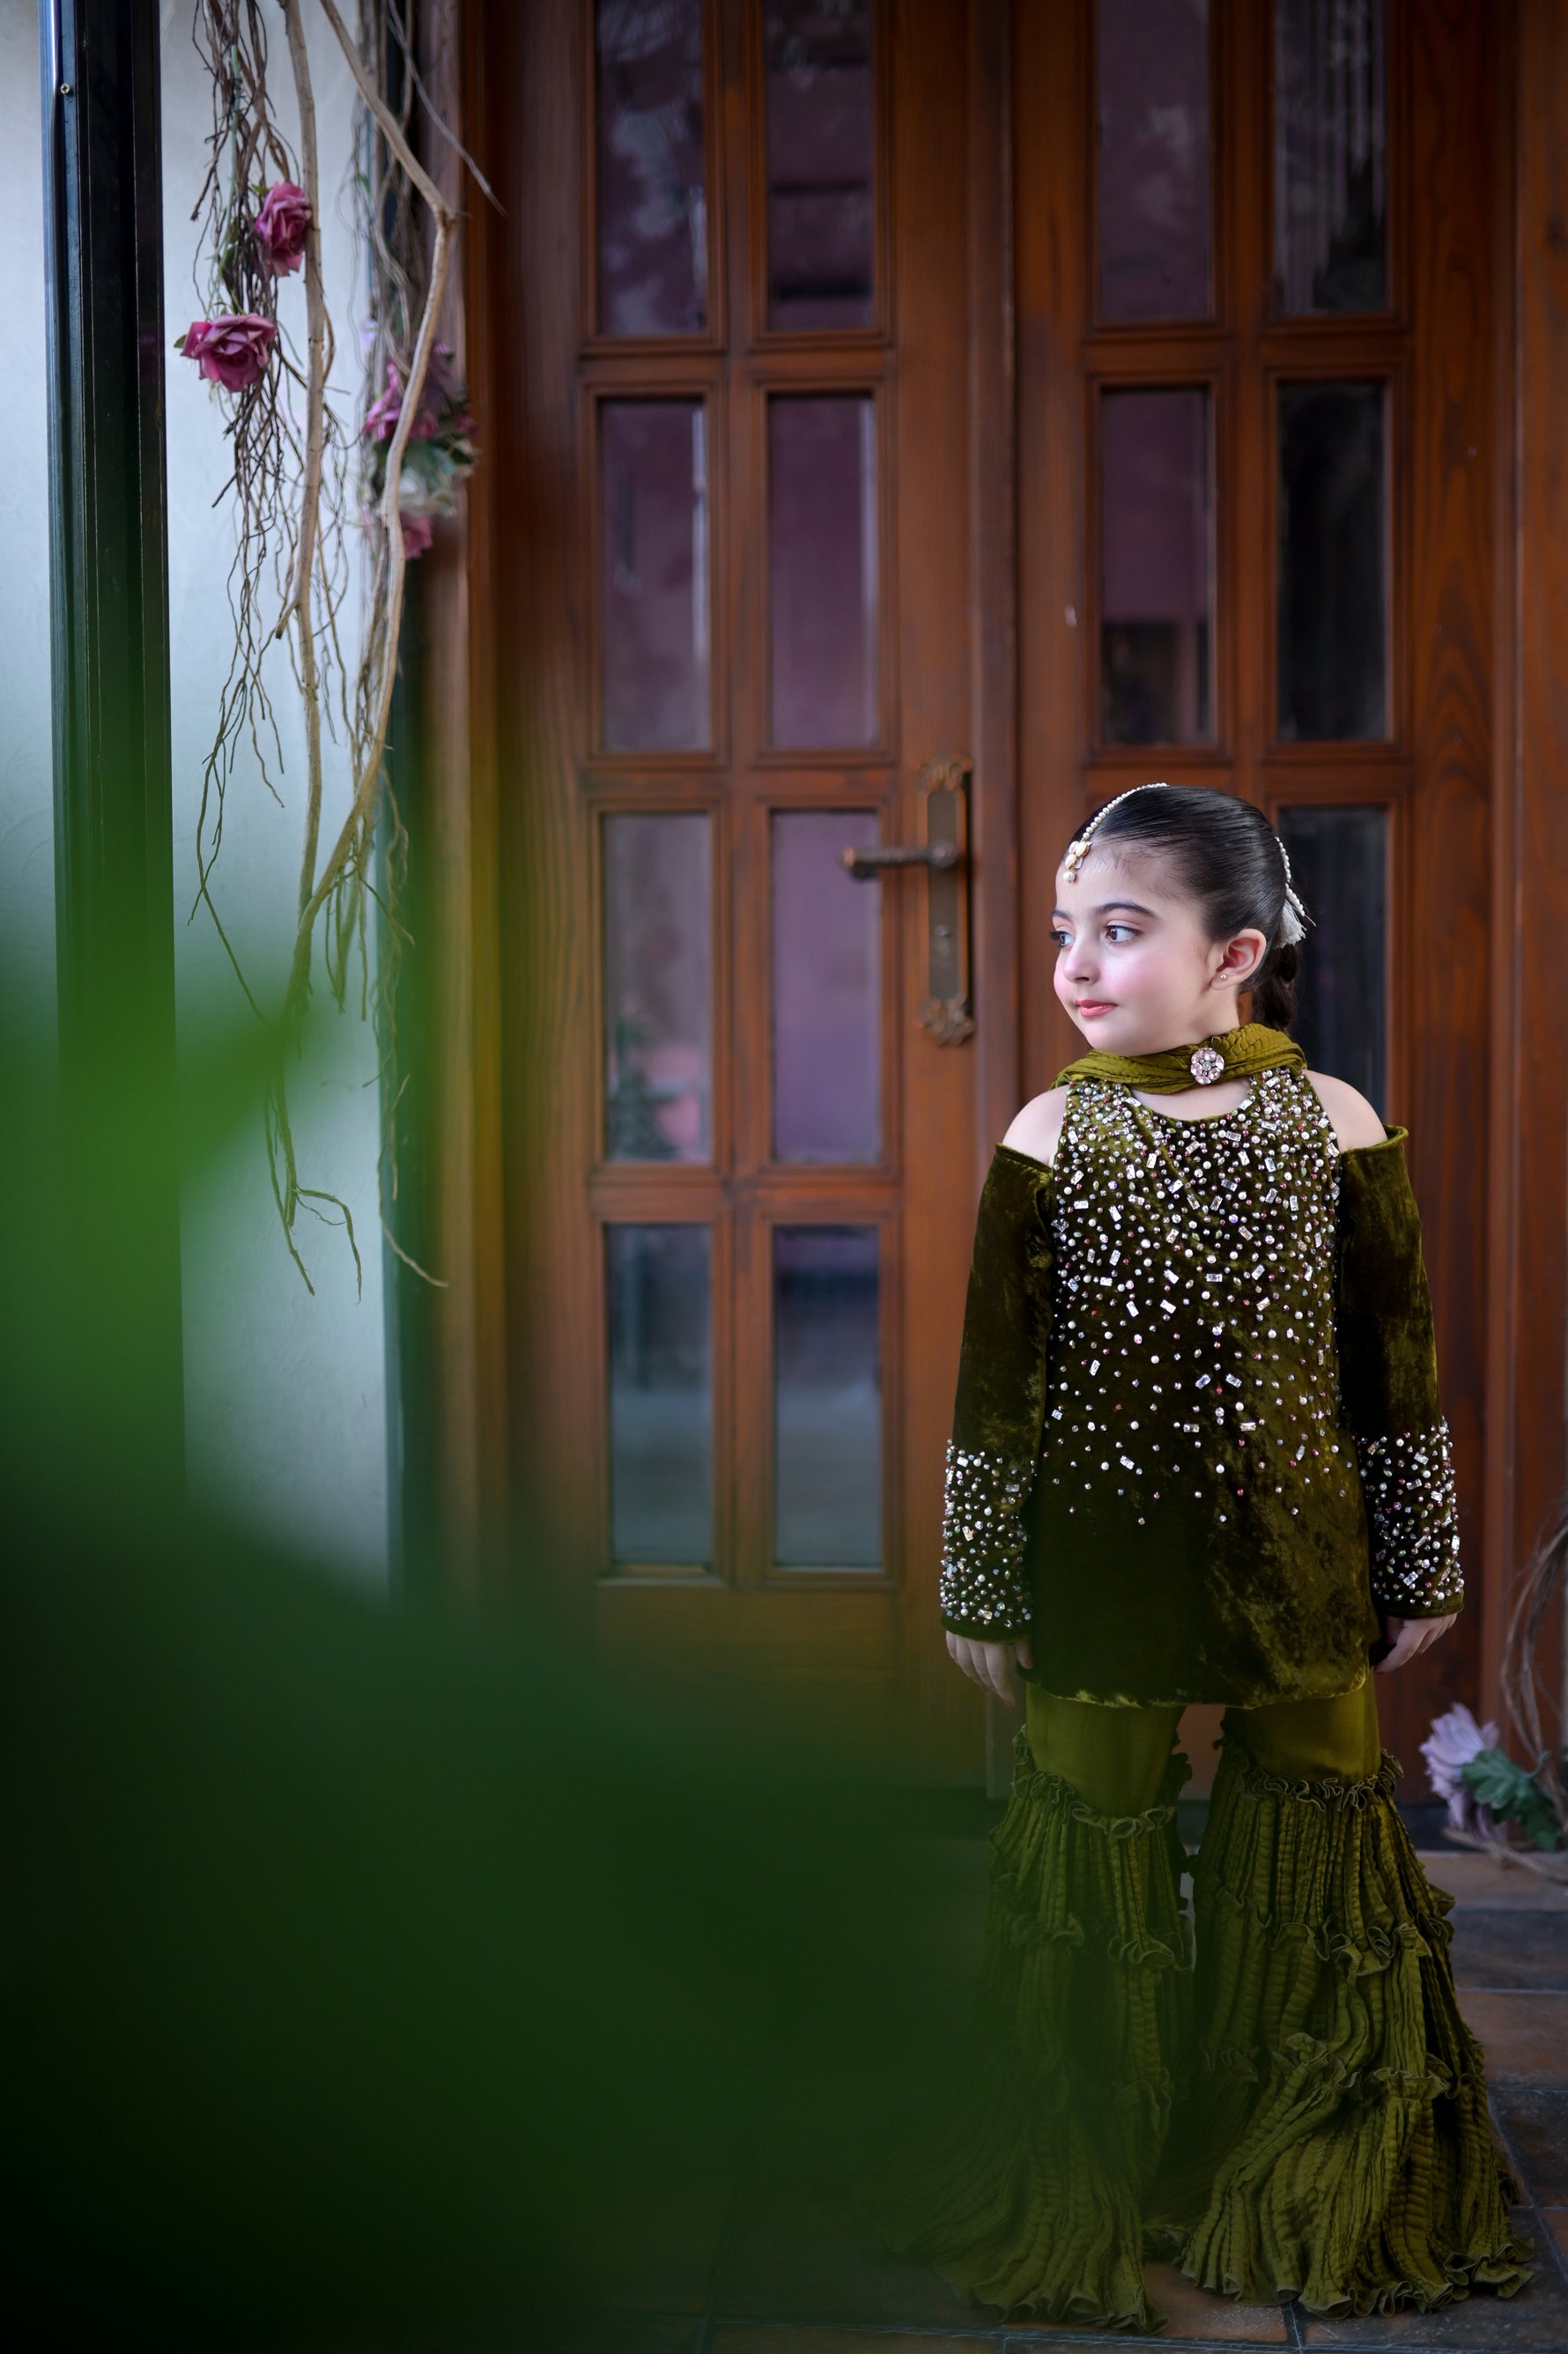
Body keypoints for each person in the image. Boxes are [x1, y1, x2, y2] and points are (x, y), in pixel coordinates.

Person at [877, 782, 1535, 2333]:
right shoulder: (1050, 1133)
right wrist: (981, 1578)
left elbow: (1393, 1372)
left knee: (1317, 1838)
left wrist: (1420, 1560)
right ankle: (1090, 2162)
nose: (1075, 965)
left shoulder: (1336, 1123)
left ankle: (1295, 2151)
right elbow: (997, 1391)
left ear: (1235, 953)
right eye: (1065, 931)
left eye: (1121, 930)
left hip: (1299, 1567)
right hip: (1097, 1576)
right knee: (1088, 1838)